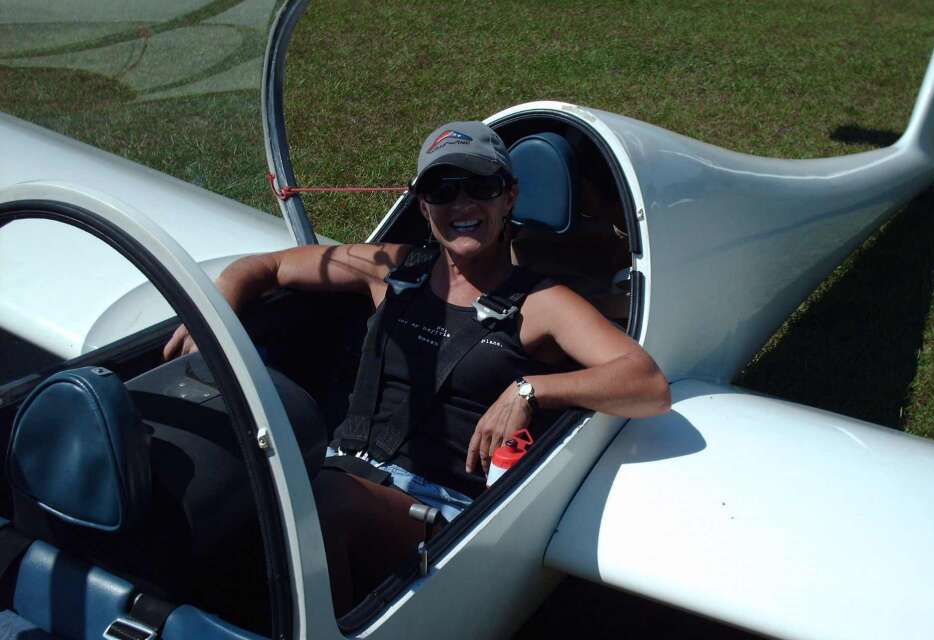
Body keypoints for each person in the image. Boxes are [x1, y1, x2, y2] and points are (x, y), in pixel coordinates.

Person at [163, 121, 670, 611]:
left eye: (480, 186)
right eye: (442, 189)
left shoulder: (543, 304)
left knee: (323, 502)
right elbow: (268, 265)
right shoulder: (393, 268)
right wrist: (222, 302)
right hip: (342, 471)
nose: (462, 204)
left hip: (445, 515)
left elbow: (646, 382)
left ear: (509, 195)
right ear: (423, 204)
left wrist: (529, 390)